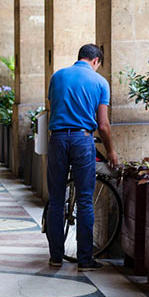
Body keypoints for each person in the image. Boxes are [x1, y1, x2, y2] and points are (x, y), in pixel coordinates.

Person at [45, 43, 118, 271]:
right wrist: (111, 152)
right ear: (96, 61)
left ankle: (56, 257)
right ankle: (85, 260)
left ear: (80, 57)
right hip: (82, 139)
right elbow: (103, 125)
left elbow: (53, 107)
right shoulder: (100, 82)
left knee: (56, 199)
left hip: (57, 139)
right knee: (85, 200)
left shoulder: (58, 76)